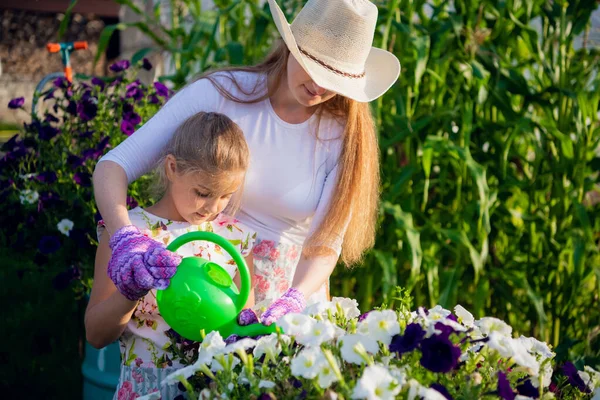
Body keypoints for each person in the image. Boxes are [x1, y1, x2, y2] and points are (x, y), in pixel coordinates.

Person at [92, 0, 400, 326]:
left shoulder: (341, 133)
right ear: (291, 46)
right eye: (314, 67)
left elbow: (325, 243)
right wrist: (125, 237)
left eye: (335, 80)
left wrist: (294, 298)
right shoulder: (222, 93)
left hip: (292, 303)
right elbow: (114, 165)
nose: (320, 86)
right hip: (213, 291)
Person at [85, 112, 257, 399]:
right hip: (144, 390)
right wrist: (130, 291)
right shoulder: (129, 235)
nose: (213, 207)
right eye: (203, 192)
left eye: (226, 195)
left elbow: (240, 328)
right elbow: (96, 334)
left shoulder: (236, 240)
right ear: (172, 167)